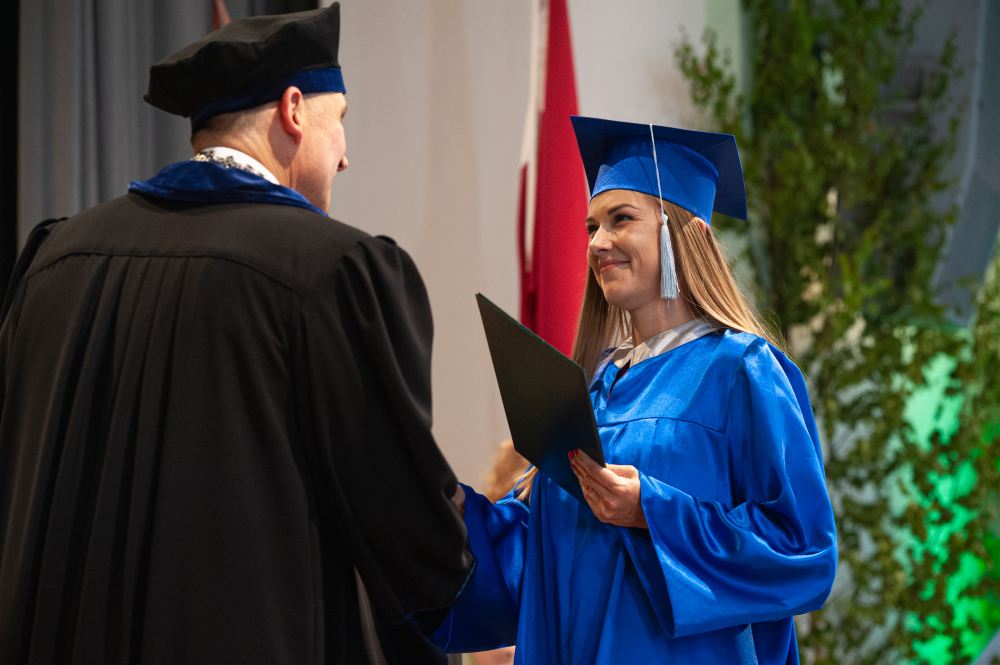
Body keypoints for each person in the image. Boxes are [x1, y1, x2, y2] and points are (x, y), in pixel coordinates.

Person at [0, 5, 473, 664]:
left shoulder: (55, 259)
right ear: (294, 110)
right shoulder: (330, 270)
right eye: (340, 120)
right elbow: (401, 526)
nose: (345, 156)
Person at [439, 116, 838, 664]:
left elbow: (803, 551)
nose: (598, 243)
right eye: (591, 227)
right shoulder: (595, 387)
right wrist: (458, 513)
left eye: (620, 219)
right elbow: (539, 557)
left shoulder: (741, 370)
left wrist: (652, 510)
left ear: (684, 233)